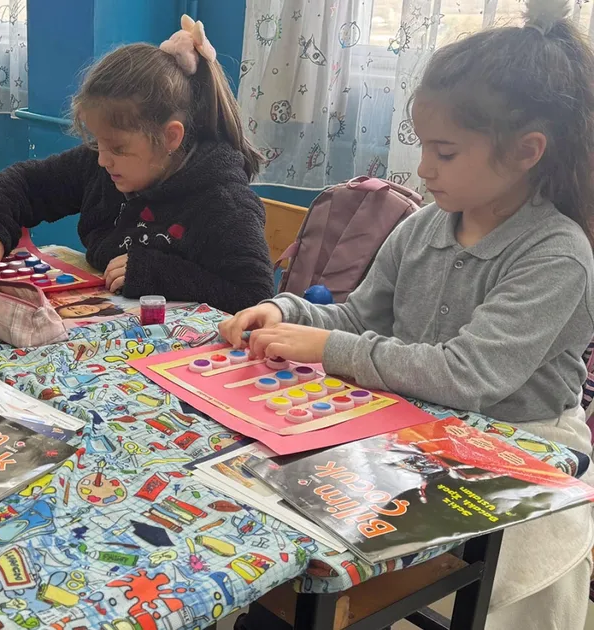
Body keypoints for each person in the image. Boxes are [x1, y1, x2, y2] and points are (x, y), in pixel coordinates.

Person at [220, 1, 594, 627]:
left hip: (522, 448)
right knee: (289, 547)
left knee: (435, 583)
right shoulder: (422, 227)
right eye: (423, 147)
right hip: (415, 426)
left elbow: (467, 376)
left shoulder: (557, 255)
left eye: (444, 152)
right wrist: (281, 311)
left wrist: (326, 349)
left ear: (527, 151)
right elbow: (359, 319)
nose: (423, 169)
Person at [0, 17, 273, 315]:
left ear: (170, 137)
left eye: (118, 148)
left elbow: (254, 295)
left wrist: (154, 273)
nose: (102, 159)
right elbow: (26, 183)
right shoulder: (102, 164)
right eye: (98, 142)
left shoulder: (224, 203)